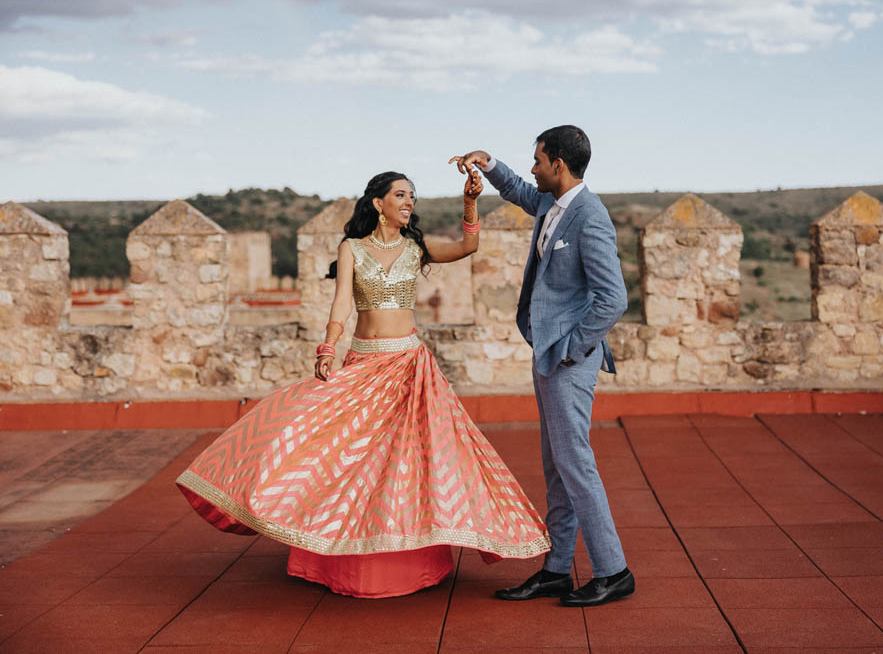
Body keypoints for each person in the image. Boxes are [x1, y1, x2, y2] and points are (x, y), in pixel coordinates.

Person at [176, 169, 549, 598]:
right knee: (343, 459)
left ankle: (406, 560)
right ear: (379, 203)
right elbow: (341, 306)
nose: (409, 202)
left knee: (405, 465)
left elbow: (468, 246)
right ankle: (337, 555)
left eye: (412, 196)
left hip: (408, 365)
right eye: (401, 195)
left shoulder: (417, 247)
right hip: (362, 364)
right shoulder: (351, 248)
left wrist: (469, 203)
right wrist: (327, 348)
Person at [450, 125, 634, 607]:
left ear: (559, 164)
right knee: (557, 466)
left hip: (568, 359)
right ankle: (556, 570)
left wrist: (572, 347)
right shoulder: (553, 205)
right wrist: (489, 165)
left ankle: (613, 572)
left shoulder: (589, 216)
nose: (532, 169)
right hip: (549, 354)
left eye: (537, 161)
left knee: (575, 464)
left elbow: (613, 298)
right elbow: (519, 191)